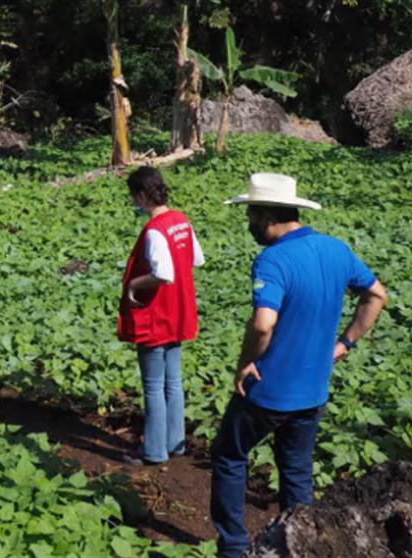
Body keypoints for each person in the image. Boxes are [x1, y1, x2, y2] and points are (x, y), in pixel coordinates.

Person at [211, 173, 388, 557]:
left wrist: (246, 363)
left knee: (229, 455)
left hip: (268, 389)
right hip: (313, 389)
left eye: (251, 215)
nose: (249, 224)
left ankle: (233, 548)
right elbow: (376, 295)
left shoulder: (272, 259)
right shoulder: (336, 250)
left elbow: (263, 323)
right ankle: (300, 545)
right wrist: (345, 344)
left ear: (265, 215)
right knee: (296, 470)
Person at [118, 166, 205, 465]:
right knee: (173, 381)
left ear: (142, 196)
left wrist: (134, 283)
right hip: (179, 311)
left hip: (156, 315)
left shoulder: (154, 230)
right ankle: (175, 443)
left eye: (133, 196)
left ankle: (154, 451)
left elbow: (163, 274)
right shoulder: (181, 220)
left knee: (154, 386)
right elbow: (197, 259)